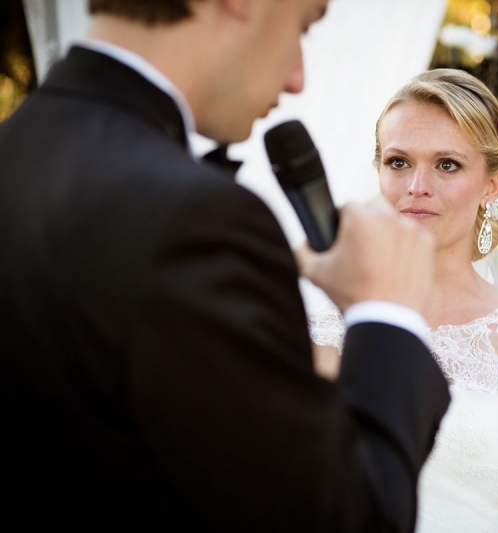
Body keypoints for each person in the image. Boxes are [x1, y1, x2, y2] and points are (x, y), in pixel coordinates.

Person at [0, 0, 450, 530]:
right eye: (303, 27)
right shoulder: (195, 220)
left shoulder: (17, 152)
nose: (298, 78)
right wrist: (387, 312)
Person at [309, 69, 498, 533]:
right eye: (398, 162)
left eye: (447, 164)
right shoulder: (320, 328)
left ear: (492, 183)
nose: (416, 186)